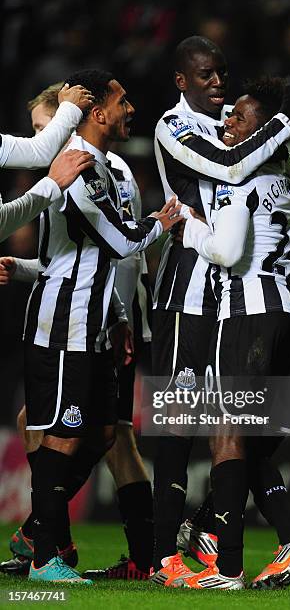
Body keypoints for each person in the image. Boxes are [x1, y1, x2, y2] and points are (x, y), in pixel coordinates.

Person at [149, 35, 290, 587]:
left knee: (225, 429)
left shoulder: (239, 176)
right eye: (208, 77)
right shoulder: (180, 130)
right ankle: (284, 536)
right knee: (248, 435)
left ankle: (223, 562)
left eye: (237, 115)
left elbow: (226, 233)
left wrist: (184, 223)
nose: (225, 110)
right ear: (182, 81)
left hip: (245, 309)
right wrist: (282, 137)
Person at [20, 68, 180, 584]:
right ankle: (48, 553)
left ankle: (44, 536)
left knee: (102, 433)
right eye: (123, 100)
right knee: (61, 433)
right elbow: (122, 244)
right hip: (66, 320)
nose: (130, 108)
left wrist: (120, 315)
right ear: (96, 111)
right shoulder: (80, 171)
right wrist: (164, 220)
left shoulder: (104, 170)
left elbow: (92, 253)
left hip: (96, 320)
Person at [0, 84, 94, 241]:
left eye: (42, 129)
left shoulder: (112, 166)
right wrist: (52, 185)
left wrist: (23, 266)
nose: (37, 136)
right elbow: (39, 151)